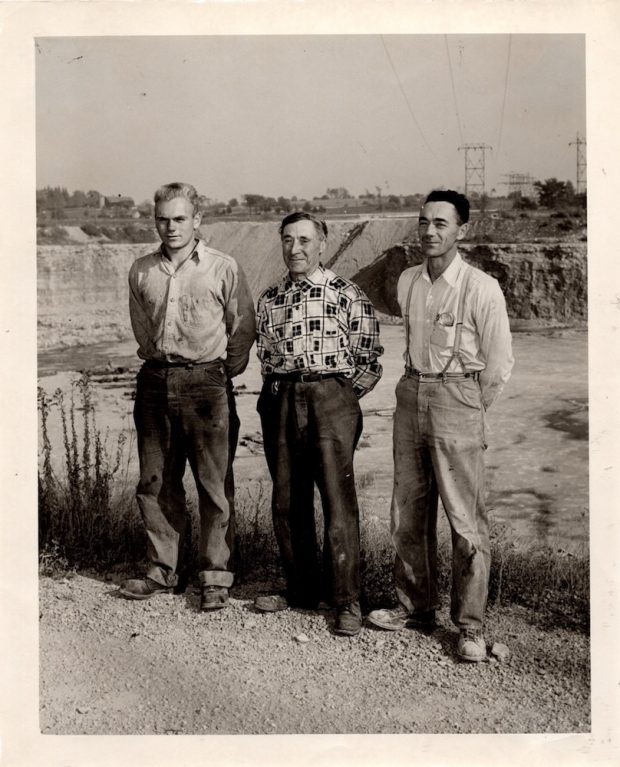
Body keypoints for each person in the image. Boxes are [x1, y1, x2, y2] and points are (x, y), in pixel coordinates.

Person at [368, 190, 514, 661]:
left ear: (461, 230)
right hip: (411, 393)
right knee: (407, 511)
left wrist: (468, 405)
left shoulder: (480, 287)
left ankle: (469, 626)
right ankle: (414, 607)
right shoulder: (410, 279)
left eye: (441, 224)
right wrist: (421, 392)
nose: (430, 231)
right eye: (424, 222)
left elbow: (499, 365)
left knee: (465, 518)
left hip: (459, 396)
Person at [119, 182, 255, 611]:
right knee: (156, 484)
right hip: (155, 383)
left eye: (180, 218)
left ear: (197, 220)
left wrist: (216, 371)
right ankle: (163, 571)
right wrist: (163, 364)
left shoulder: (222, 266)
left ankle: (215, 576)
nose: (171, 227)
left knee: (214, 485)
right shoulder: (141, 270)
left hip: (206, 386)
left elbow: (243, 328)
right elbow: (142, 329)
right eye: (163, 218)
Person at [254, 211, 383, 636]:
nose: (296, 249)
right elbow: (266, 359)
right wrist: (281, 396)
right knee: (287, 501)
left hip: (331, 398)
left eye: (305, 240)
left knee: (337, 501)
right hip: (281, 397)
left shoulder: (347, 295)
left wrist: (340, 399)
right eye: (288, 240)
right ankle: (301, 591)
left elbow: (369, 360)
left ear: (323, 244)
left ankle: (345, 600)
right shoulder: (270, 299)